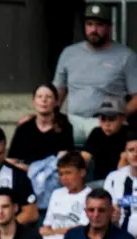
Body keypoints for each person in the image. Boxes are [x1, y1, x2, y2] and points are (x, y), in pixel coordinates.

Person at [52, 4, 137, 145]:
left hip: (106, 122)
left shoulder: (126, 56)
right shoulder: (69, 53)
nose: (94, 30)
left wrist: (121, 115)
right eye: (89, 24)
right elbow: (57, 92)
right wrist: (49, 115)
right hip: (72, 120)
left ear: (110, 27)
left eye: (99, 25)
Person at [7, 84, 74, 178]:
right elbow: (11, 159)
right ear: (33, 101)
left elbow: (66, 159)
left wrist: (33, 170)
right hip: (25, 176)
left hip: (52, 177)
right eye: (39, 96)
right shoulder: (24, 128)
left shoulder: (64, 127)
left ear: (55, 102)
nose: (44, 100)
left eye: (49, 97)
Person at [40, 151, 91, 239]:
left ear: (82, 172)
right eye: (61, 174)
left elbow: (81, 229)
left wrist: (53, 232)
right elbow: (45, 227)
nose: (64, 178)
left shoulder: (90, 195)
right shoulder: (56, 194)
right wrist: (53, 232)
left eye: (68, 173)